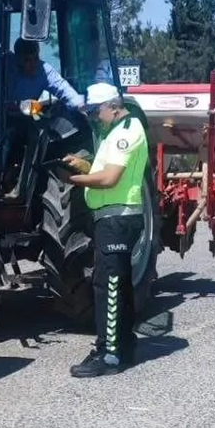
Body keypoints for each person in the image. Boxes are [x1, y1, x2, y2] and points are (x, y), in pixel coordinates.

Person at [62, 82, 149, 377]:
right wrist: (84, 166)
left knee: (108, 284)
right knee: (120, 283)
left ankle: (108, 354)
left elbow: (111, 178)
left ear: (112, 106)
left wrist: (73, 181)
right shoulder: (115, 131)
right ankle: (124, 344)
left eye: (96, 110)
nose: (95, 117)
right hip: (114, 218)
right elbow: (104, 170)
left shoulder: (127, 132)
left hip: (118, 218)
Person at [1, 38, 84, 196]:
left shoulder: (44, 70)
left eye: (35, 58)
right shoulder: (5, 68)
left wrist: (81, 105)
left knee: (31, 133)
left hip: (25, 118)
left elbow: (63, 88)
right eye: (27, 60)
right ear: (17, 59)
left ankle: (20, 183)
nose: (33, 64)